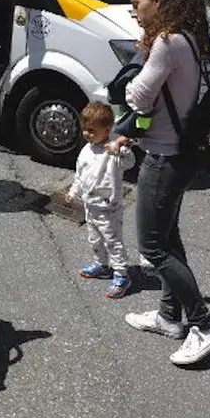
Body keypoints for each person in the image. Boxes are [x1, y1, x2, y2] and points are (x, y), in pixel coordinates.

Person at [112, 0, 210, 368]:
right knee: (169, 240)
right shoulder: (186, 38)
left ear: (157, 1)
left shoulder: (166, 42)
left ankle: (204, 325)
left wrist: (133, 76)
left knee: (153, 247)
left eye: (137, 5)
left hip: (164, 158)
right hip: (180, 154)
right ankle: (168, 316)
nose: (135, 13)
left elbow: (138, 96)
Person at [66, 102, 136, 300]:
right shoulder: (85, 151)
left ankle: (121, 274)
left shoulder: (112, 149)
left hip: (109, 207)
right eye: (85, 129)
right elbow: (80, 175)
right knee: (95, 239)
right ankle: (102, 265)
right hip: (90, 205)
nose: (87, 134)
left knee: (113, 241)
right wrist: (73, 192)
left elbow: (130, 163)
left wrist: (121, 150)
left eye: (92, 130)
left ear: (107, 130)